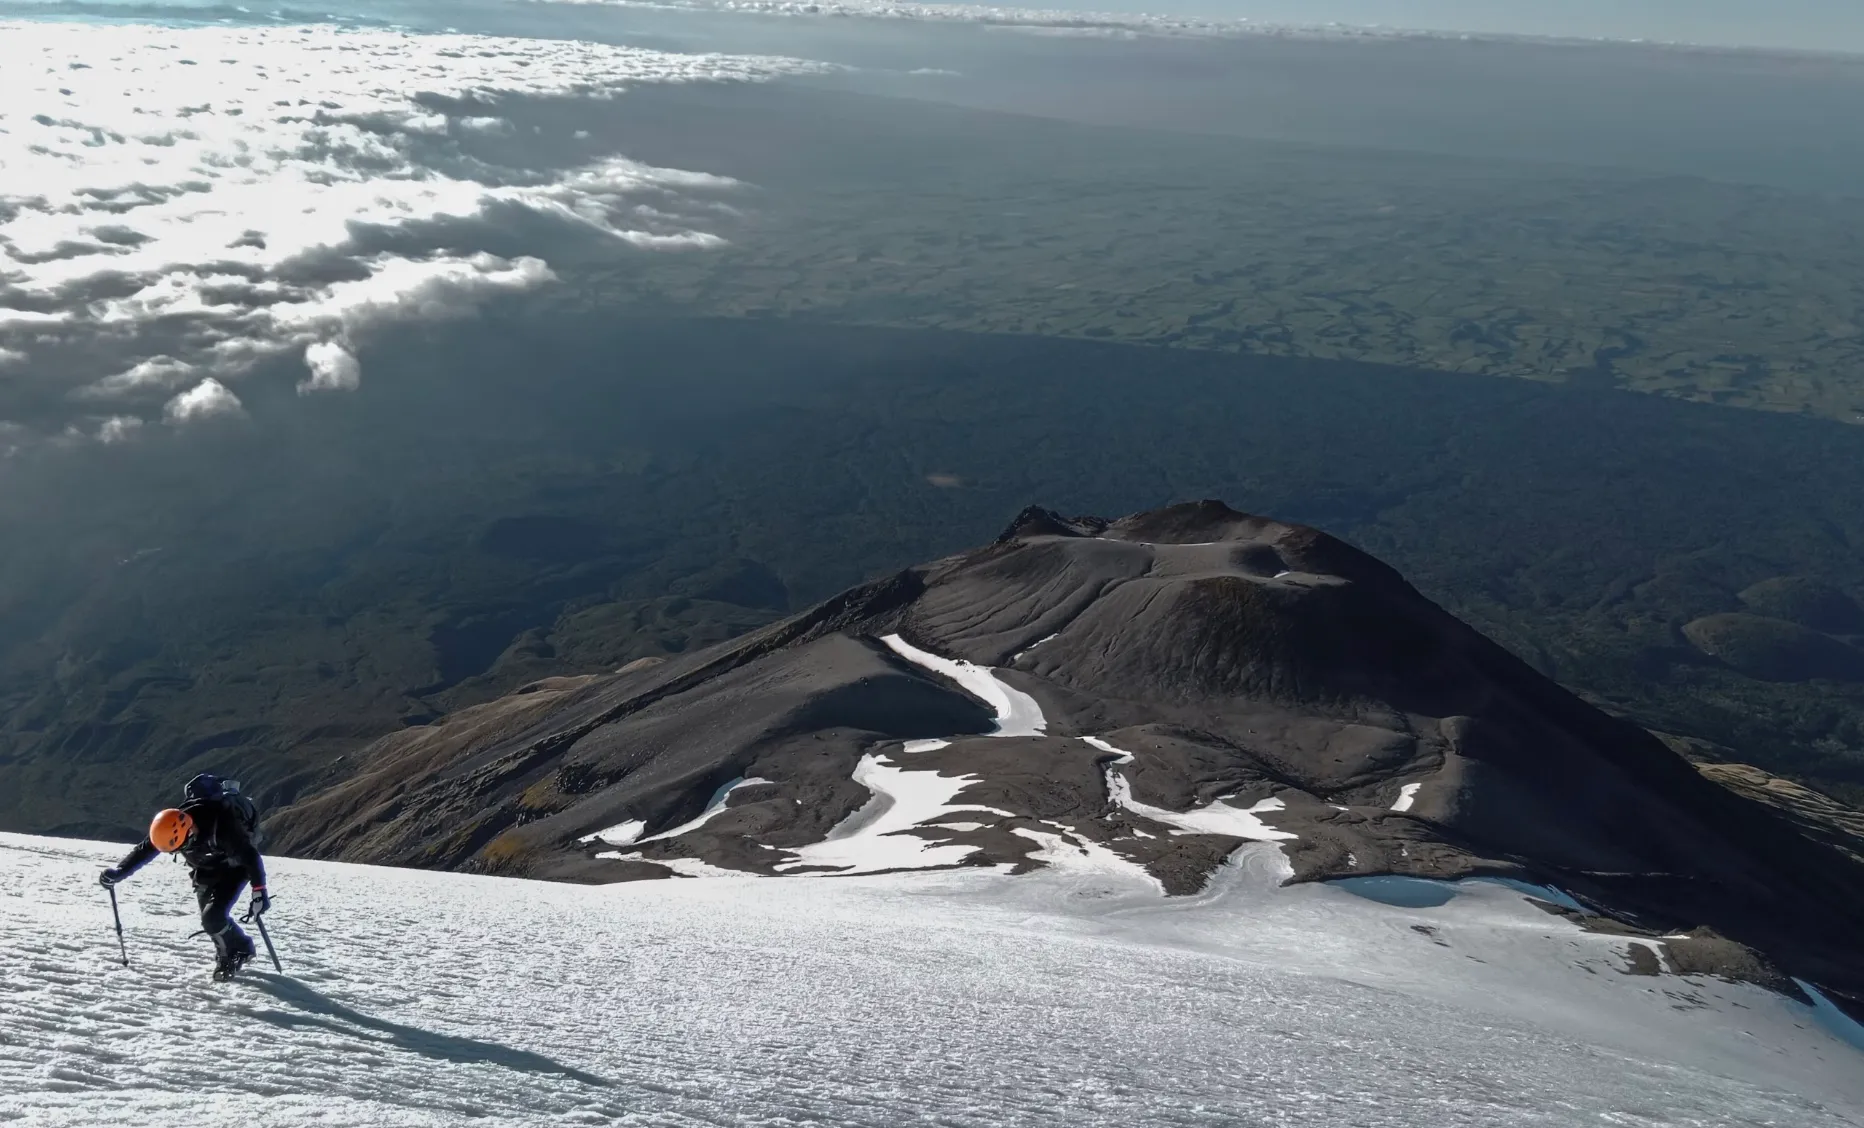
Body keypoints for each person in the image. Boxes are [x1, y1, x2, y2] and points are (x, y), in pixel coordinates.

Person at [99, 773, 270, 980]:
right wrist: (119, 872)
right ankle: (242, 947)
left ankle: (229, 958)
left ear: (188, 833)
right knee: (212, 920)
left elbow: (250, 856)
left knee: (212, 918)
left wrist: (259, 890)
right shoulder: (169, 827)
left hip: (234, 870)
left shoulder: (222, 826)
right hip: (205, 869)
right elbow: (144, 850)